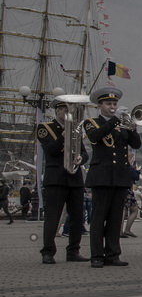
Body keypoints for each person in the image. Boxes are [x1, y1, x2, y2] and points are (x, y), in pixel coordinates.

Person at [83, 87, 140, 268]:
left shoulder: (122, 124)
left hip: (120, 177)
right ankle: (97, 255)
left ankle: (113, 254)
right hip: (101, 176)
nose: (113, 106)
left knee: (116, 218)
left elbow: (136, 143)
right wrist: (115, 120)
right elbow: (95, 136)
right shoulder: (92, 122)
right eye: (108, 103)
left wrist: (131, 126)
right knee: (99, 217)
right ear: (100, 105)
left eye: (115, 104)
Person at [35, 97, 89, 263]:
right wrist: (64, 135)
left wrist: (81, 158)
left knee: (77, 216)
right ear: (56, 111)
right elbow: (51, 150)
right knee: (53, 216)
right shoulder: (45, 128)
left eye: (70, 110)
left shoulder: (76, 130)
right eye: (65, 110)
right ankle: (48, 251)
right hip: (56, 178)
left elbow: (84, 153)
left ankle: (73, 251)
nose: (68, 113)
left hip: (74, 178)